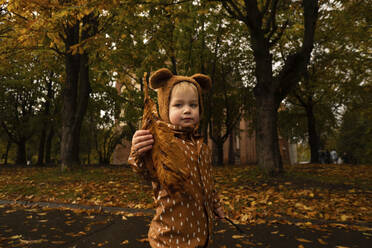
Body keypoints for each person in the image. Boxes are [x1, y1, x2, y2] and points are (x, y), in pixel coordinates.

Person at [128, 68, 225, 248]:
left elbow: (208, 182)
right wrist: (137, 152)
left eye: (193, 105)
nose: (187, 110)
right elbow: (145, 170)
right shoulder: (162, 143)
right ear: (165, 107)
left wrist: (215, 204)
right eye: (178, 105)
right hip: (170, 236)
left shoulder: (202, 147)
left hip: (201, 233)